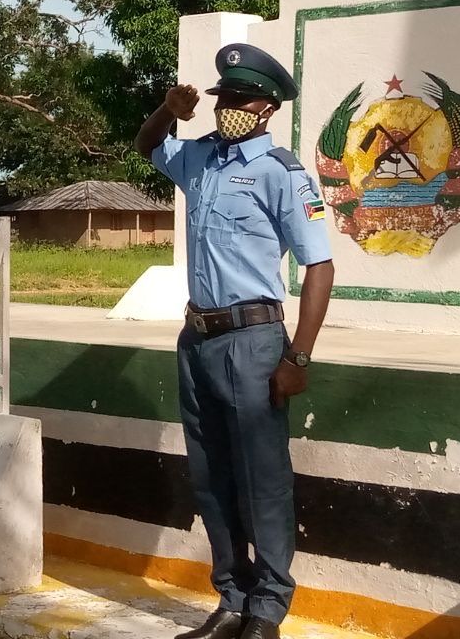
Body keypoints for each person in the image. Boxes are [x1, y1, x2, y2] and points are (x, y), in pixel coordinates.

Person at [135, 44, 335, 639]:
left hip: (254, 340)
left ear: (268, 106)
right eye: (222, 99)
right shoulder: (199, 159)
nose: (228, 109)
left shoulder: (282, 173)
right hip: (197, 339)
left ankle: (268, 608)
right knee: (210, 475)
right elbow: (148, 147)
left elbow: (318, 265)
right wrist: (167, 110)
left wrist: (298, 355)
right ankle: (231, 597)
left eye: (240, 99)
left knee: (262, 476)